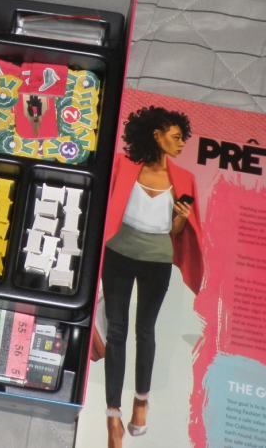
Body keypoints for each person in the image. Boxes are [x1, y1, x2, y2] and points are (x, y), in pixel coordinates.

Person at [101, 106, 203, 448]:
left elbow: (175, 233)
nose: (181, 143)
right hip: (117, 253)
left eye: (183, 138)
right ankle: (112, 415)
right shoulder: (123, 165)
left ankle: (141, 401)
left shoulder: (184, 178)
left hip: (157, 259)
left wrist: (181, 219)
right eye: (176, 137)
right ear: (156, 136)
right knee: (116, 331)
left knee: (145, 330)